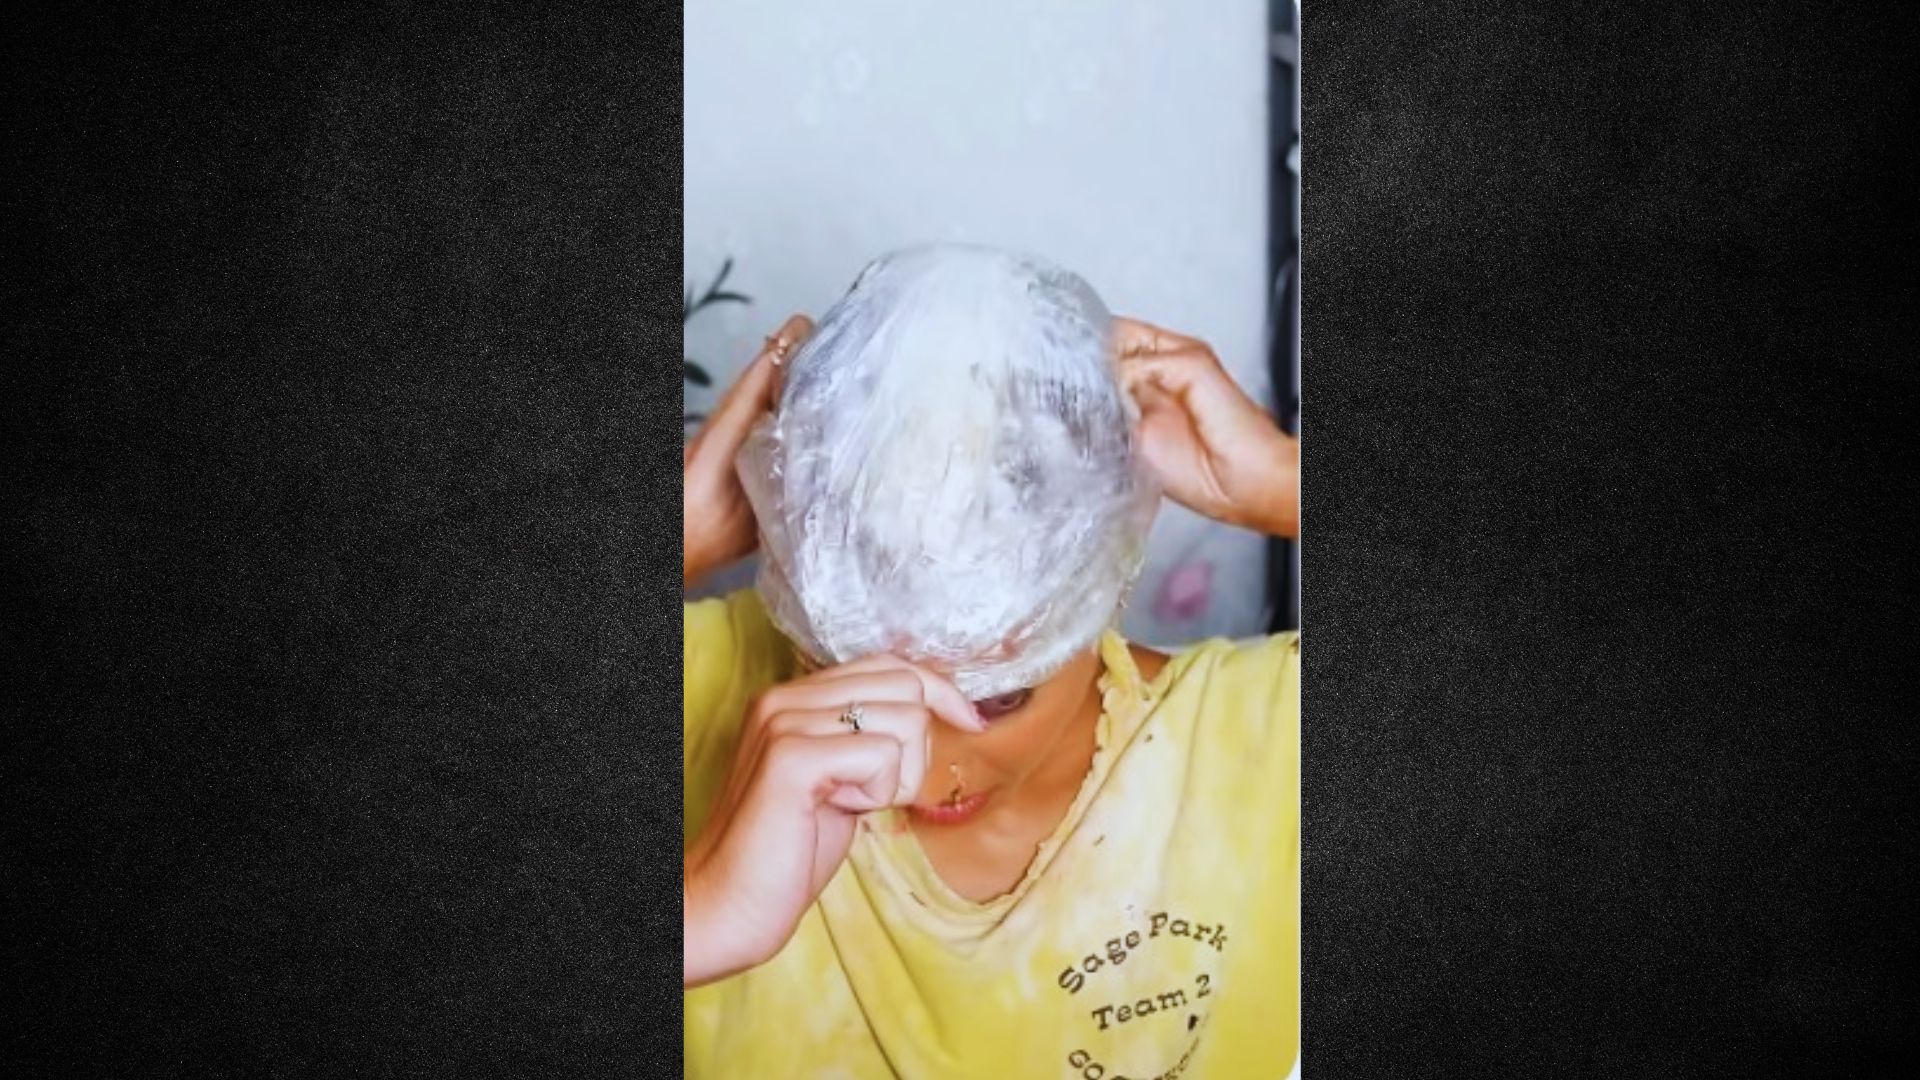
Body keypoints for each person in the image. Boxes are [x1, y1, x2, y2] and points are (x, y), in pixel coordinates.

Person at [683, 277, 1300, 1078]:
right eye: (851, 689)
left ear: (1095, 579)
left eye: (997, 697)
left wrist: (1286, 483)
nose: (921, 772)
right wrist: (701, 914)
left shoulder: (1263, 745)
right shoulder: (701, 689)